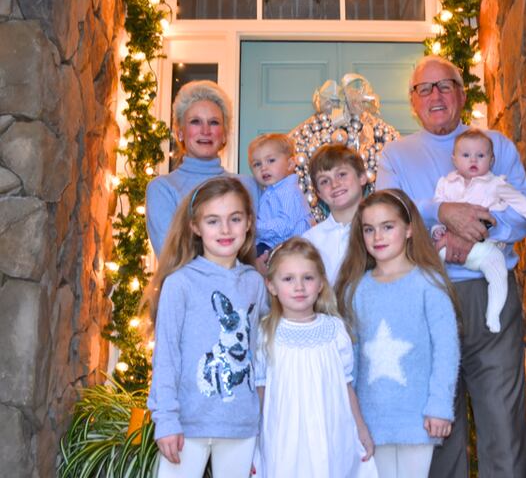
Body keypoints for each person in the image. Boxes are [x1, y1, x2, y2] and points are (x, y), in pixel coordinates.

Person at [376, 55, 526, 477]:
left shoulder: (495, 144)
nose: (436, 95)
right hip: (425, 297)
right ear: (413, 102)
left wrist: (477, 231)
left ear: (462, 94)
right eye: (424, 89)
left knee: (503, 424)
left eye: (445, 85)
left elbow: (523, 211)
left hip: (489, 295)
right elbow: (387, 214)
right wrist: (442, 210)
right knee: (438, 431)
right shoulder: (395, 154)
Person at [144, 177, 268, 478]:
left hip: (240, 424)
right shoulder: (180, 284)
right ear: (195, 227)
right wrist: (166, 420)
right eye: (213, 221)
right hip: (187, 424)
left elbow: (265, 348)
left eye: (234, 219)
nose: (225, 230)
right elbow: (167, 357)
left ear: (249, 223)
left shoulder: (254, 282)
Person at [336, 189, 460, 478]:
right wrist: (350, 417)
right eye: (369, 229)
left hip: (417, 418)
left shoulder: (429, 284)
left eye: (387, 227)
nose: (377, 237)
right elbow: (347, 360)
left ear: (409, 230)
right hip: (369, 419)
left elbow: (446, 349)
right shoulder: (355, 289)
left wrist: (439, 405)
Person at [254, 237, 378, 478]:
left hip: (329, 431)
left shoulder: (334, 330)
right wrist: (254, 442)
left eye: (308, 278)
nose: (299, 287)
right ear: (271, 286)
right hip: (284, 437)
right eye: (288, 279)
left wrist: (361, 428)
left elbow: (346, 385)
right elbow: (261, 390)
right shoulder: (266, 333)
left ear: (321, 283)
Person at [432, 128, 526, 332]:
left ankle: (492, 314)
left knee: (498, 273)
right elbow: (437, 209)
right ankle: (437, 307)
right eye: (466, 155)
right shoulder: (446, 184)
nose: (473, 160)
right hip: (449, 247)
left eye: (481, 155)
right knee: (432, 265)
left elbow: (519, 200)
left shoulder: (495, 183)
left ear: (491, 160)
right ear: (454, 159)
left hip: (485, 249)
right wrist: (437, 230)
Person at [146, 80, 259, 255]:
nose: (205, 131)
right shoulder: (163, 189)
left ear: (224, 135)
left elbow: (258, 251)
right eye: (195, 122)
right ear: (180, 132)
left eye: (214, 122)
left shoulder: (248, 185)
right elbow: (172, 258)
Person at [302, 144, 368, 285]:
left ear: (362, 177)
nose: (335, 184)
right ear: (318, 193)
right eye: (324, 181)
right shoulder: (310, 240)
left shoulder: (378, 232)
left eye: (342, 174)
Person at [248, 133, 314, 257]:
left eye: (271, 160)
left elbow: (285, 226)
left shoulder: (288, 191)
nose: (263, 168)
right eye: (257, 164)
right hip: (276, 246)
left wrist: (254, 227)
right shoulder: (271, 191)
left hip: (292, 251)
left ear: (290, 164)